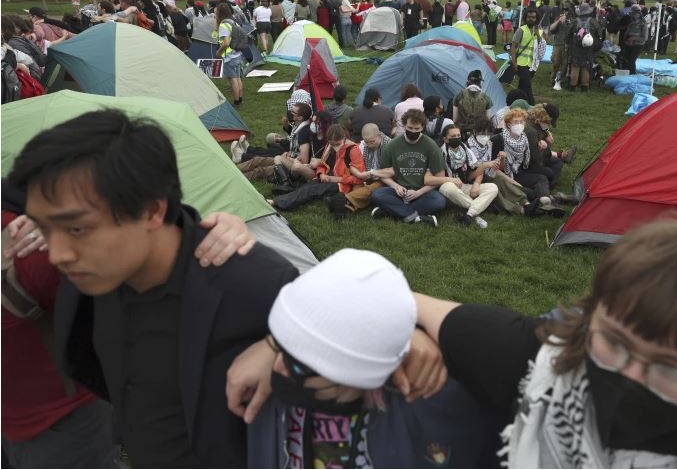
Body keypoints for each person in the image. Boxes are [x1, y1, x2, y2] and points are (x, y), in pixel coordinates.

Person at [7, 110, 298, 467]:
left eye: (78, 229)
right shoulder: (91, 276)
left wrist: (284, 346)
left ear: (151, 212)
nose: (57, 254)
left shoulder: (255, 287)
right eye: (46, 229)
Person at [413, 219, 677, 468]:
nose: (629, 376)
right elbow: (390, 295)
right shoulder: (528, 358)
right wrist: (408, 334)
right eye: (615, 342)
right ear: (593, 316)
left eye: (671, 366)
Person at [228, 248, 501, 468]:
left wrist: (407, 323)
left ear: (354, 371)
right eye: (282, 347)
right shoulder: (270, 396)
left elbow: (527, 345)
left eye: (300, 363)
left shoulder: (440, 407)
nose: (278, 368)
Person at [370, 109, 447, 226]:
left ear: (423, 127)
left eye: (417, 129)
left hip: (422, 192)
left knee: (439, 201)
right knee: (377, 194)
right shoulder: (392, 145)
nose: (413, 131)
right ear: (404, 125)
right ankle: (417, 218)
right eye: (410, 128)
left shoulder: (431, 146)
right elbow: (383, 174)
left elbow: (440, 178)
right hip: (399, 191)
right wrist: (395, 186)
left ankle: (391, 211)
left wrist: (419, 192)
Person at [268, 124, 365, 212]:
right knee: (306, 187)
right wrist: (321, 174)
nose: (335, 147)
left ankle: (277, 202)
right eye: (332, 144)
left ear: (344, 137)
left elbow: (359, 179)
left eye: (337, 144)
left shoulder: (353, 150)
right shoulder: (329, 146)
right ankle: (280, 199)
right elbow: (322, 164)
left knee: (310, 190)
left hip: (342, 185)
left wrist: (337, 179)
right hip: (327, 178)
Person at [427, 124, 499, 228]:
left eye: (458, 135)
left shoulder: (466, 150)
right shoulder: (439, 153)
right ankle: (479, 209)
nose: (457, 138)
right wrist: (451, 180)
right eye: (453, 137)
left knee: (493, 187)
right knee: (446, 187)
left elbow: (475, 172)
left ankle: (469, 214)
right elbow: (431, 178)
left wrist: (476, 184)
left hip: (465, 185)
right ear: (445, 139)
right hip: (449, 188)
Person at [509, 9, 543, 104]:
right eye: (529, 17)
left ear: (537, 19)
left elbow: (542, 44)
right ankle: (531, 104)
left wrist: (538, 34)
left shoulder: (538, 30)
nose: (530, 19)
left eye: (533, 17)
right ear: (525, 17)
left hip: (532, 64)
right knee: (527, 86)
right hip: (521, 63)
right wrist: (514, 62)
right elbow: (513, 46)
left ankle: (514, 101)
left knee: (522, 86)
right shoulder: (521, 30)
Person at [214, 2, 244, 107]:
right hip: (237, 54)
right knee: (238, 78)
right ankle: (240, 99)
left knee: (233, 80)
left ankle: (236, 102)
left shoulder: (223, 25)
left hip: (229, 56)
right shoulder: (233, 22)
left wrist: (219, 52)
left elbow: (226, 42)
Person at [567, 2, 601, 92]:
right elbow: (599, 35)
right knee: (586, 66)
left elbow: (568, 34)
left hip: (576, 48)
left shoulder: (574, 21)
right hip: (589, 48)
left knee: (575, 66)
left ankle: (573, 86)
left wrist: (570, 44)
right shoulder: (593, 22)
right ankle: (584, 87)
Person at [452, 70, 493, 139]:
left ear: (468, 81)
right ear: (480, 83)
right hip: (478, 134)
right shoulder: (486, 98)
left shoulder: (459, 96)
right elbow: (487, 119)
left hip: (461, 133)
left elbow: (455, 119)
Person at [549, 3, 572, 88]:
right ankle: (553, 79)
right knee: (555, 63)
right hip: (557, 44)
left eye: (567, 10)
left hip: (567, 45)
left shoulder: (573, 20)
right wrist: (559, 21)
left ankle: (561, 81)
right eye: (564, 10)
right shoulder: (559, 18)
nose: (566, 12)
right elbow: (551, 28)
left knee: (565, 65)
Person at [621, 6, 648, 74]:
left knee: (632, 60)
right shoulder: (631, 23)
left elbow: (645, 38)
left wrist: (634, 38)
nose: (632, 15)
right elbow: (626, 34)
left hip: (638, 45)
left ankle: (632, 74)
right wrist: (627, 40)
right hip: (629, 44)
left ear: (638, 14)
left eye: (634, 14)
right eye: (632, 14)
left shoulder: (643, 24)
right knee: (626, 59)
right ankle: (627, 73)